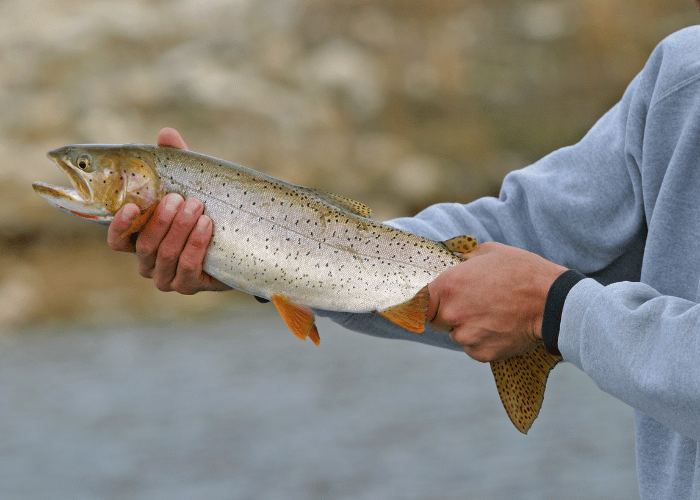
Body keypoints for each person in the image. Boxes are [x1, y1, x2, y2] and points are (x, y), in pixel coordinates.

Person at [108, 25, 700, 499]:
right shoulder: (682, 75)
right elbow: (522, 233)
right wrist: (257, 252)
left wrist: (557, 313)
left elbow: (547, 296)